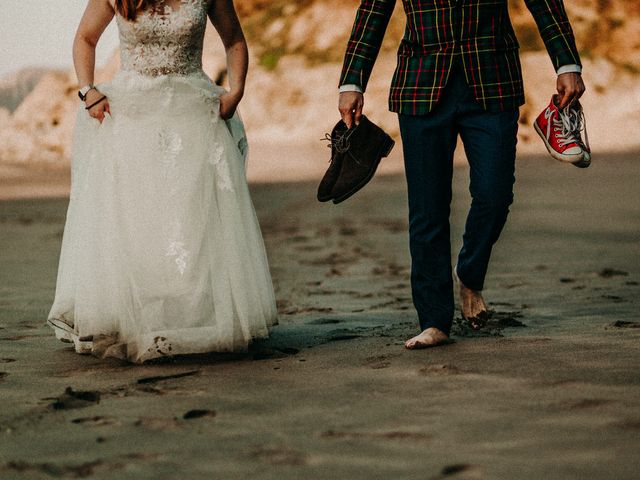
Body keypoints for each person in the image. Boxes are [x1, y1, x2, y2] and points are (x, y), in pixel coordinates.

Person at [338, 0, 585, 349]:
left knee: (495, 195)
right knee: (427, 209)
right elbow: (373, 11)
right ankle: (434, 320)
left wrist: (567, 63)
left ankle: (470, 272)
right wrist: (352, 81)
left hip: (493, 79)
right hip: (420, 84)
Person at [47, 0, 277, 363]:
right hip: (132, 116)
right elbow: (85, 38)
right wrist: (87, 90)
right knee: (138, 217)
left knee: (193, 217)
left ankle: (194, 319)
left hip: (193, 112)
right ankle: (135, 318)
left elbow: (234, 40)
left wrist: (236, 91)